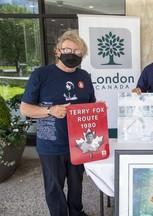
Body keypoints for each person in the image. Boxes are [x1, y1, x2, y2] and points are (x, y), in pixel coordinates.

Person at [20, 29, 96, 216]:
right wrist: (49, 111)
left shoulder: (84, 76)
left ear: (83, 55)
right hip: (51, 143)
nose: (72, 54)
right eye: (67, 50)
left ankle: (77, 212)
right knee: (54, 186)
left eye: (77, 52)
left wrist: (98, 110)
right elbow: (25, 109)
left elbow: (90, 105)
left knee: (77, 184)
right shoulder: (41, 75)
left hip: (79, 143)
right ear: (57, 52)